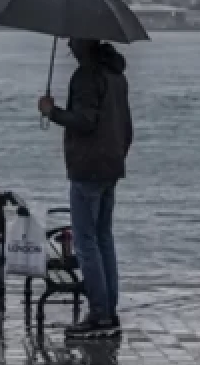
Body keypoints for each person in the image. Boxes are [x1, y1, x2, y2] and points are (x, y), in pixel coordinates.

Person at [37, 38, 133, 339]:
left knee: (86, 241)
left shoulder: (87, 77)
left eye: (73, 42)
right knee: (103, 238)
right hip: (111, 166)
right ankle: (108, 311)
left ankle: (100, 315)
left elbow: (85, 121)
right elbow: (126, 127)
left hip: (87, 167)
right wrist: (117, 155)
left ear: (83, 45)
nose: (69, 46)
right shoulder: (116, 77)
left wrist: (52, 112)